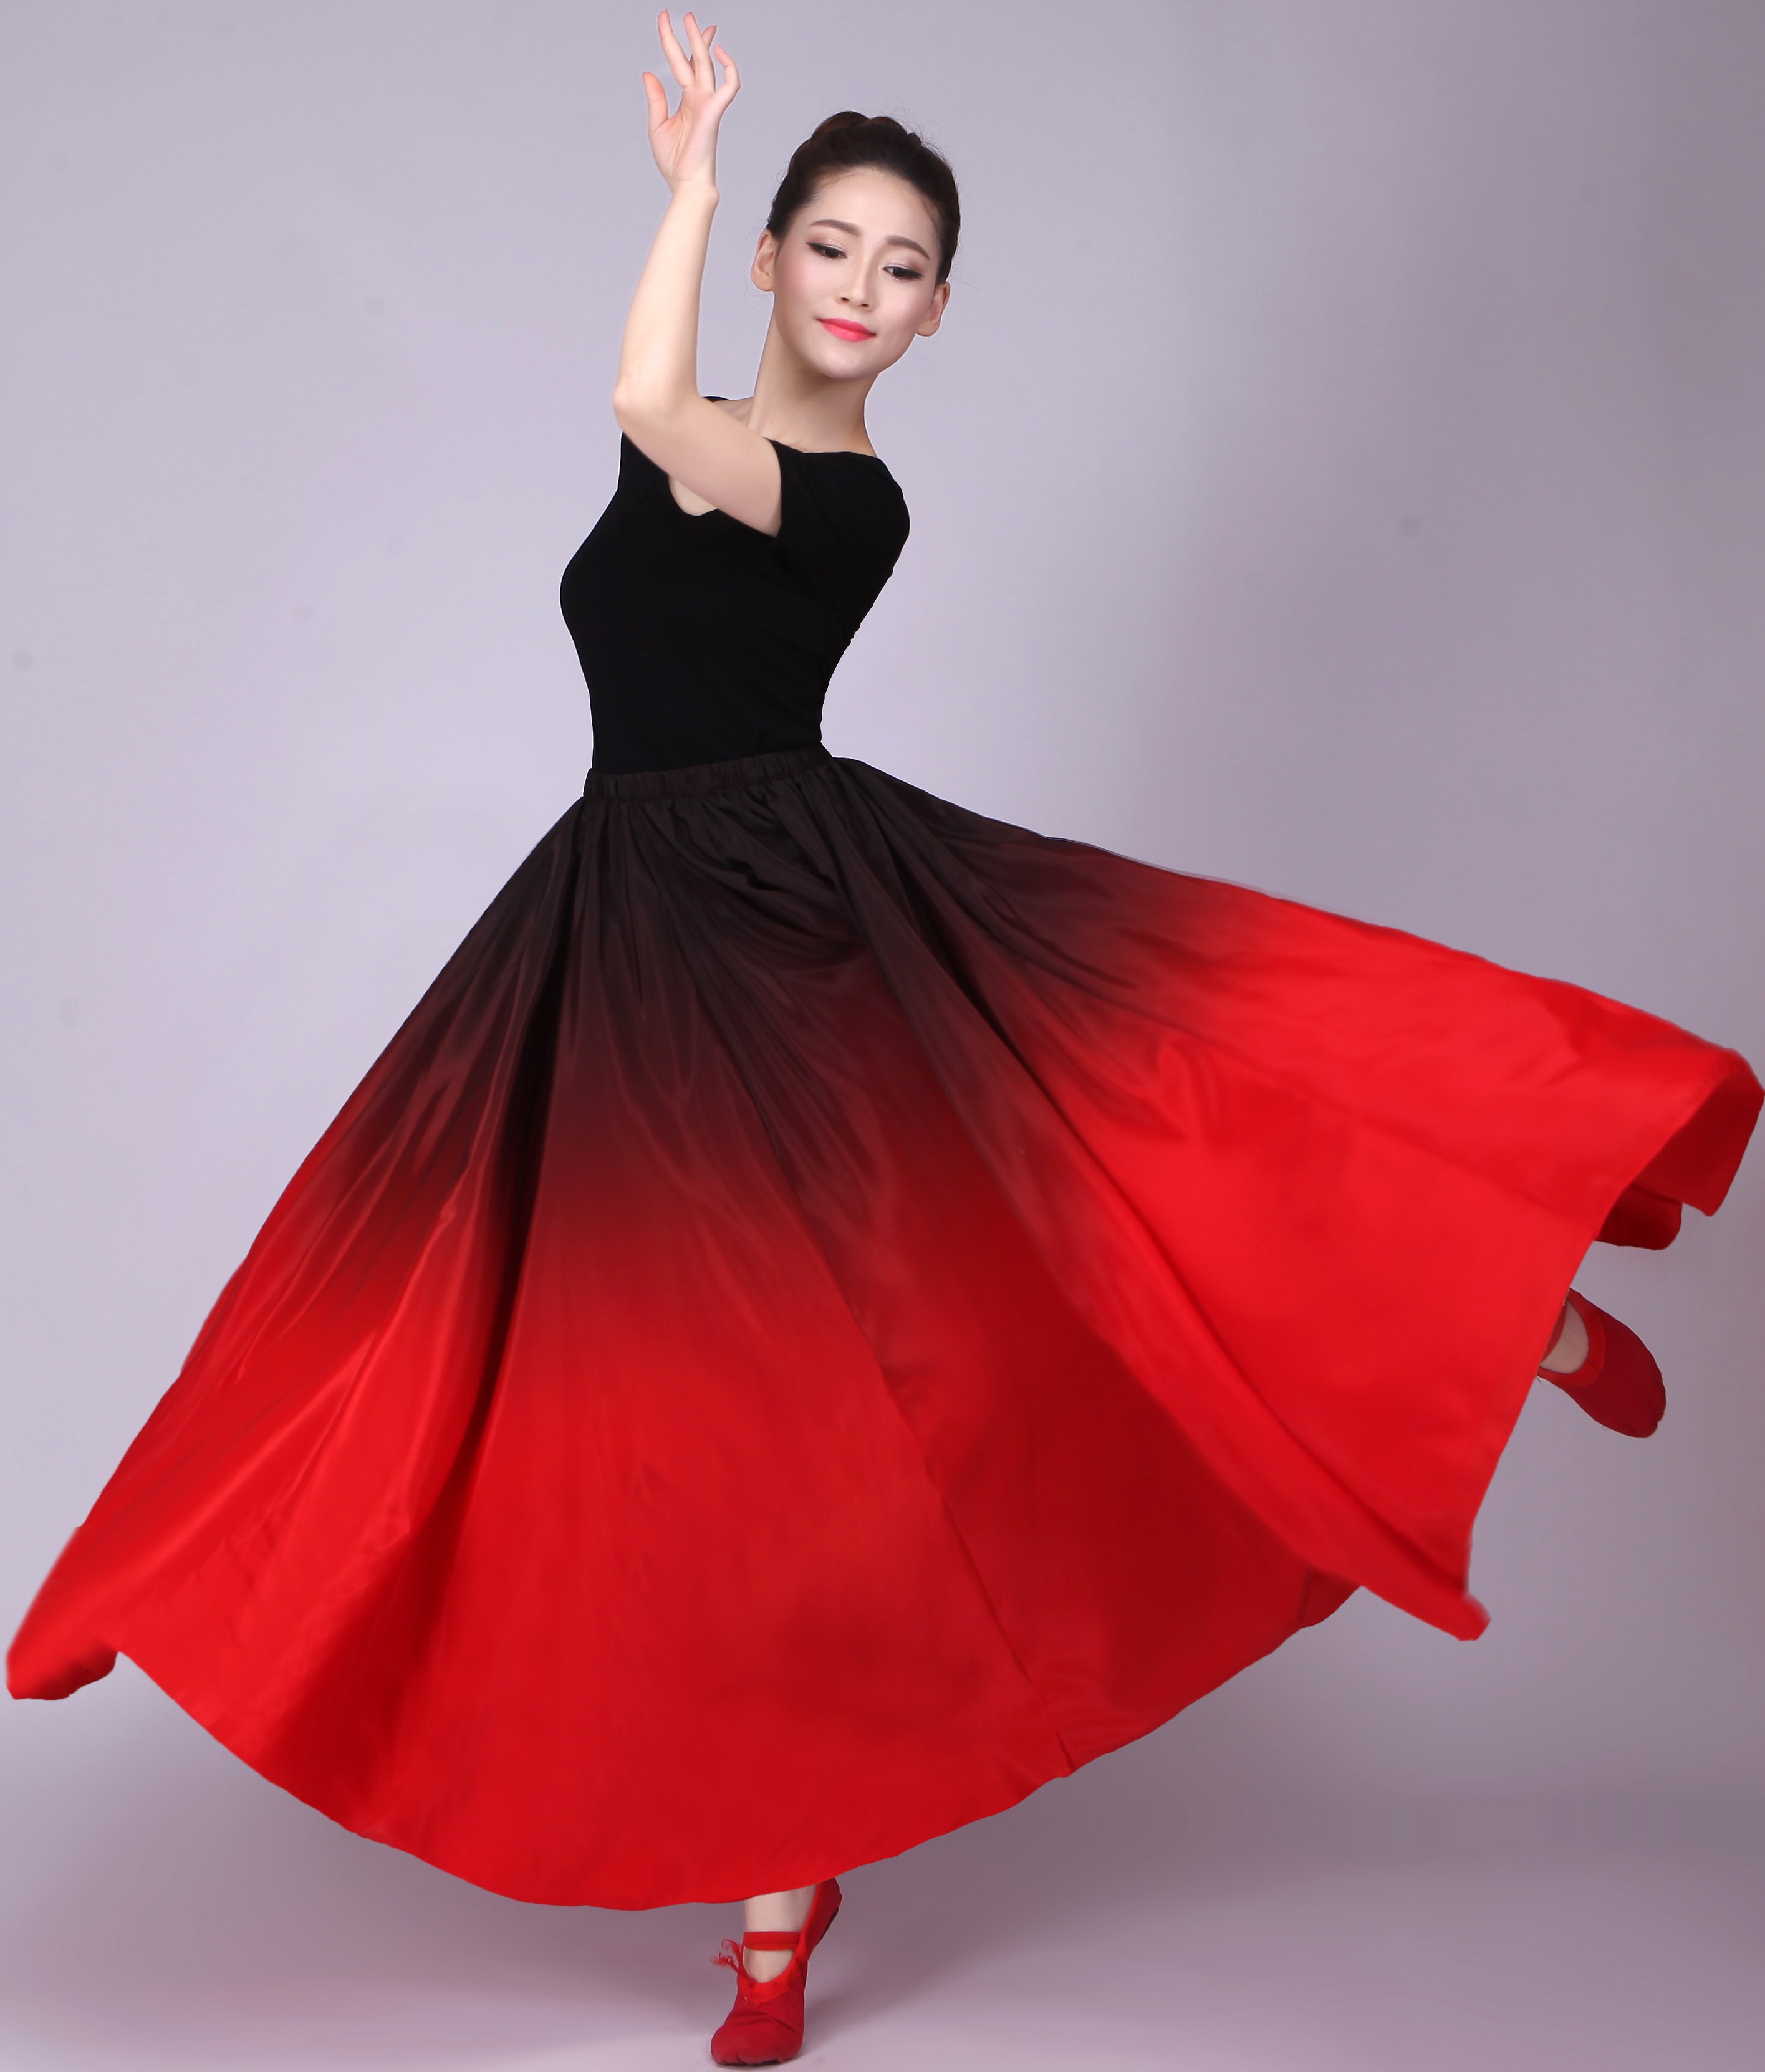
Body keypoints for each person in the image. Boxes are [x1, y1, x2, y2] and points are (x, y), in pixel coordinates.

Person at [8, 13, 1760, 2068]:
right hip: (618, 944)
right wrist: (698, 220)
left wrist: (684, 192)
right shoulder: (680, 449)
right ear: (776, 262)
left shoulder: (848, 502)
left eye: (902, 266)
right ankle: (763, 1874)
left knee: (1141, 1163)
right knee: (631, 1400)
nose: (859, 285)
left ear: (937, 316)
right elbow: (653, 420)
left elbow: (644, 392)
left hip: (808, 953)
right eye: (827, 245)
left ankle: (1500, 1304)